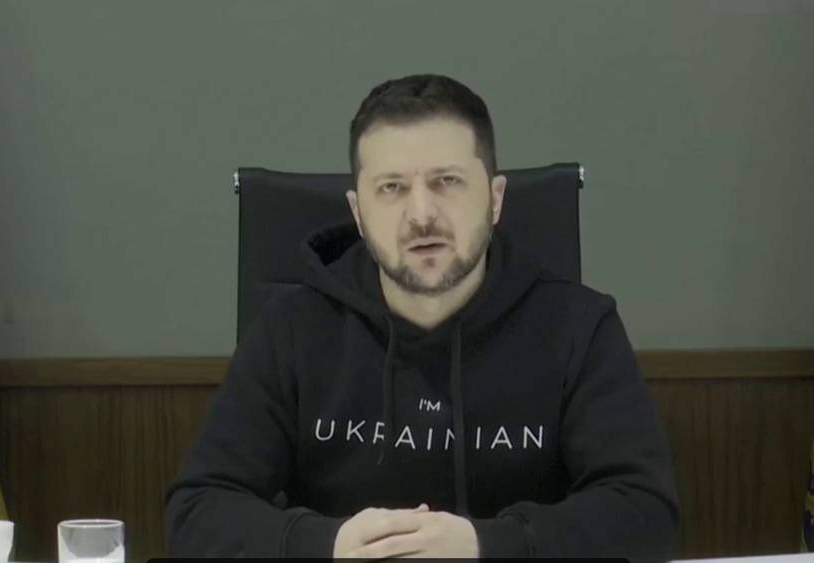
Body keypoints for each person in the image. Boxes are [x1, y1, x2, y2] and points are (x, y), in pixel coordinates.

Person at [165, 74, 679, 561]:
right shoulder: (291, 329)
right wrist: (331, 545)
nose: (422, 215)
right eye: (392, 188)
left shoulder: (579, 327)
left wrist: (487, 546)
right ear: (358, 212)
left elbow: (645, 514)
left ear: (495, 199)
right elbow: (196, 512)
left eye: (447, 181)